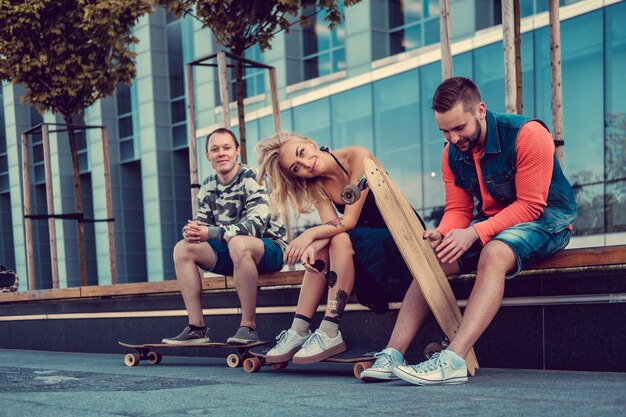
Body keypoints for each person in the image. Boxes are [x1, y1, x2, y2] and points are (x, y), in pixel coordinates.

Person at [361, 76, 577, 385]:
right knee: (431, 259)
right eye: (444, 131)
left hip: (547, 221)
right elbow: (459, 211)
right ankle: (393, 354)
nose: (452, 138)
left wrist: (474, 233)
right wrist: (445, 232)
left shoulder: (528, 135)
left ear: (480, 110)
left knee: (494, 253)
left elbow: (531, 206)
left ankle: (453, 361)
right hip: (493, 223)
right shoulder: (451, 153)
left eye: (459, 128)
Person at [255, 134, 419, 364]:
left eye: (302, 153)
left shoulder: (356, 157)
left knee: (339, 240)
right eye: (297, 168)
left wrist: (308, 236)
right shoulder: (316, 184)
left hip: (403, 239)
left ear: (310, 142)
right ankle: (299, 329)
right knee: (321, 249)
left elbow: (348, 222)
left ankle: (330, 329)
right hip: (368, 245)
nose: (306, 164)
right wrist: (312, 247)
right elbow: (331, 227)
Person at [162, 128, 288, 345]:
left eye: (227, 147)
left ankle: (248, 327)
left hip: (270, 249)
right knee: (182, 248)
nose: (221, 153)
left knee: (239, 243)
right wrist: (191, 232)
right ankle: (197, 328)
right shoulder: (208, 185)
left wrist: (209, 233)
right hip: (234, 252)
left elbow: (255, 227)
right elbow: (201, 225)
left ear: (237, 151)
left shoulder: (252, 177)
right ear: (207, 156)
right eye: (215, 149)